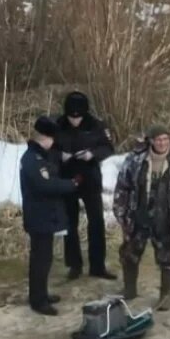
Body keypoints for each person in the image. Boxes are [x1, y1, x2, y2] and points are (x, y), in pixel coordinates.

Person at [112, 124, 170, 311]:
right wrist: (120, 210)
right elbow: (122, 185)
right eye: (158, 139)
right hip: (138, 214)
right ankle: (129, 290)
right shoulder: (135, 160)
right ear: (150, 141)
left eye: (165, 139)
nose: (162, 143)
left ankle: (165, 296)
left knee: (167, 257)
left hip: (167, 217)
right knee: (129, 254)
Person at [20, 115, 81, 316]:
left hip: (45, 215)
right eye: (51, 138)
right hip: (39, 217)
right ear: (44, 138)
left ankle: (42, 294)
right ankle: (37, 300)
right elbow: (45, 184)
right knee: (40, 260)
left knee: (45, 259)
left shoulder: (42, 157)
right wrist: (71, 184)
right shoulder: (32, 159)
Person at [54, 91, 117, 281]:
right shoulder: (58, 125)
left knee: (96, 221)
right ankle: (74, 265)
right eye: (71, 117)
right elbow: (49, 148)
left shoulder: (97, 125)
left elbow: (108, 147)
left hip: (90, 178)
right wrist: (60, 156)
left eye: (78, 117)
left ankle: (97, 265)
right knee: (69, 223)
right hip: (67, 178)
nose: (75, 121)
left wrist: (92, 154)